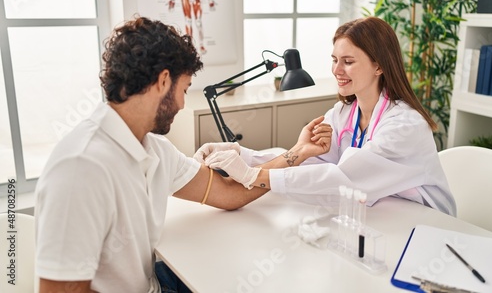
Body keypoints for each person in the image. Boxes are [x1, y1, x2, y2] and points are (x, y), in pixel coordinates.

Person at [34, 16, 332, 293]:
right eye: (185, 89)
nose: (181, 104)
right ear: (164, 81)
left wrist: (296, 153)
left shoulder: (155, 150)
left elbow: (229, 194)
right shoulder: (81, 167)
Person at [199, 17, 456, 216]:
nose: (336, 70)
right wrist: (241, 154)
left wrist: (254, 176)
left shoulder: (405, 125)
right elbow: (315, 163)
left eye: (348, 61)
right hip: (377, 213)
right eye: (334, 60)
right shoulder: (343, 113)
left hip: (422, 223)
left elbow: (342, 178)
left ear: (379, 66)